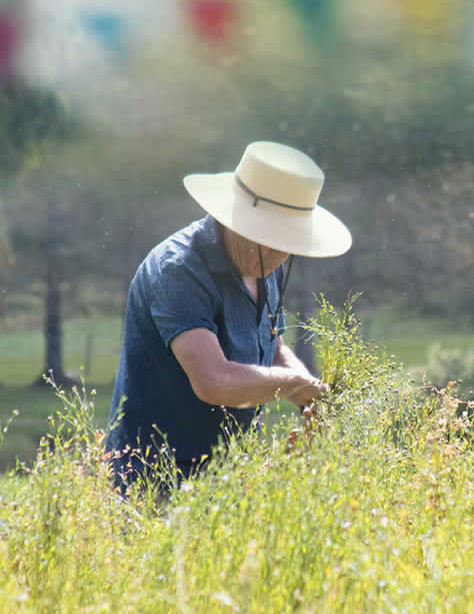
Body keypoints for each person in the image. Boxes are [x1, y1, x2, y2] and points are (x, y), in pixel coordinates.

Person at [104, 141, 351, 493]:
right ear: (235, 218)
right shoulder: (178, 271)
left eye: (289, 240)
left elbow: (272, 345)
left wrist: (311, 397)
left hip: (229, 472)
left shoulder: (268, 262)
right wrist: (292, 385)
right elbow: (213, 381)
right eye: (271, 237)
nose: (280, 252)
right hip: (155, 478)